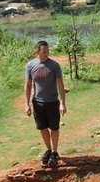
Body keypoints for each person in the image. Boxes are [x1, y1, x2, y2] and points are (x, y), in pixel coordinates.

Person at [24, 39, 68, 168]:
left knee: (54, 127)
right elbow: (28, 85)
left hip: (52, 102)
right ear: (37, 51)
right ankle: (48, 149)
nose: (46, 54)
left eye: (48, 51)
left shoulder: (54, 66)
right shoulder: (30, 66)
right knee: (42, 127)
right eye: (44, 51)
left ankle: (55, 151)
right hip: (38, 102)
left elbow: (60, 85)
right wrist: (26, 104)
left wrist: (62, 103)